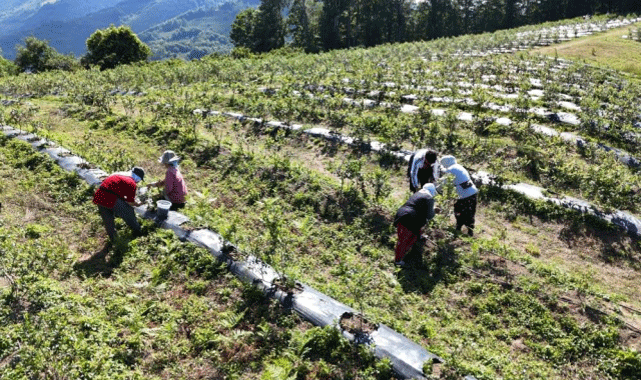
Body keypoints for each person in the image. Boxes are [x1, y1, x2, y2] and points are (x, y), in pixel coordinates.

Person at [93, 167, 145, 241]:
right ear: (138, 178)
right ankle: (138, 232)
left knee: (108, 219)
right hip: (110, 198)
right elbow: (130, 202)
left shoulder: (117, 175)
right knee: (129, 211)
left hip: (99, 195)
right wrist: (138, 204)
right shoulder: (132, 183)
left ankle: (113, 239)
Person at [393, 183, 437, 267]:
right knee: (404, 240)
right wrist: (434, 211)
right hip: (410, 218)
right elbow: (429, 215)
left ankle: (419, 238)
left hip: (402, 214)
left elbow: (418, 208)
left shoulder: (418, 194)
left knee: (409, 237)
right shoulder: (429, 197)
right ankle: (398, 261)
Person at [439, 155, 478, 236]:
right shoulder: (459, 167)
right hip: (473, 192)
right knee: (470, 212)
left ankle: (458, 229)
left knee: (459, 211)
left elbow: (443, 183)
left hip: (464, 195)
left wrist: (436, 190)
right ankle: (470, 232)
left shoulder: (450, 170)